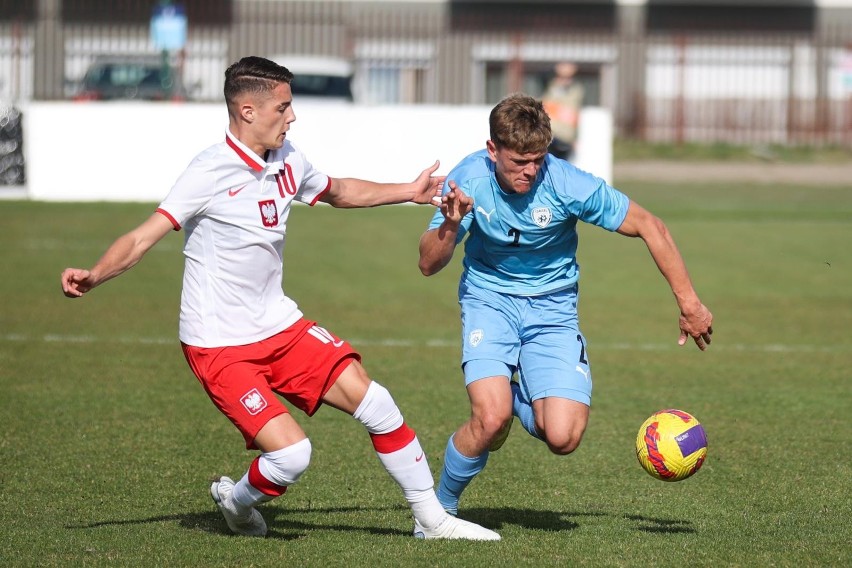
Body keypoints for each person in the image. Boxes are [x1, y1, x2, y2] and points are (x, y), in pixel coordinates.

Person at [60, 56, 500, 541]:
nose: (292, 118)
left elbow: (337, 191)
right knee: (292, 456)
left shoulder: (288, 156)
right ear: (248, 110)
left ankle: (431, 521)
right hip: (219, 343)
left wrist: (408, 191)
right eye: (284, 107)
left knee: (378, 403)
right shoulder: (209, 170)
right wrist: (96, 274)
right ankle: (236, 501)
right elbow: (144, 236)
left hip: (280, 326)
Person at [418, 93, 713, 516]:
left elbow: (651, 225)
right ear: (492, 150)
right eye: (519, 161)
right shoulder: (467, 181)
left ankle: (517, 401)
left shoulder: (566, 182)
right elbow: (428, 264)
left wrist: (690, 303)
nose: (531, 171)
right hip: (490, 301)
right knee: (488, 419)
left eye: (538, 159)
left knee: (563, 438)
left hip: (553, 309)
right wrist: (450, 221)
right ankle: (438, 512)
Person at [541, 62, 584, 162]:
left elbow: (574, 117)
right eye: (562, 77)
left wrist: (575, 138)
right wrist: (555, 68)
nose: (566, 80)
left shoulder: (576, 92)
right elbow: (541, 75)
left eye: (569, 77)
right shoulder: (550, 88)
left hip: (566, 138)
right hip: (551, 137)